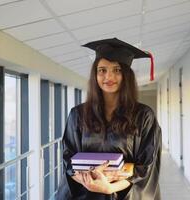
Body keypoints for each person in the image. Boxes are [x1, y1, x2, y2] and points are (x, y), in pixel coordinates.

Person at [56, 38, 162, 200]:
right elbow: (68, 159)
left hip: (124, 194)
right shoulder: (78, 114)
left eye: (117, 70)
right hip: (84, 194)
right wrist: (90, 185)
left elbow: (146, 166)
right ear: (95, 74)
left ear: (126, 75)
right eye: (102, 70)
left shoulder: (143, 116)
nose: (108, 76)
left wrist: (109, 188)